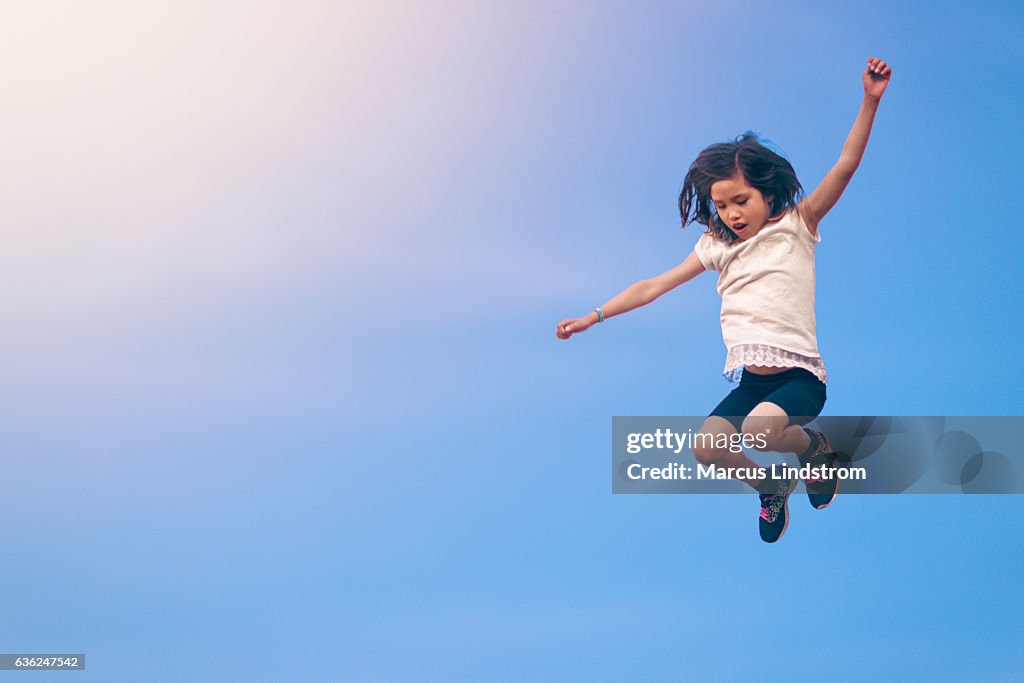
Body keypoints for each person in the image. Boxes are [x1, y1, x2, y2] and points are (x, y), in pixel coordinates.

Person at [556, 57, 893, 543]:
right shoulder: (715, 247)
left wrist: (869, 100)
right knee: (707, 448)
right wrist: (594, 315)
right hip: (753, 384)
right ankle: (771, 486)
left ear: (766, 193)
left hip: (799, 380)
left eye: (742, 201)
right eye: (721, 204)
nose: (732, 214)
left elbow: (845, 166)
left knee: (759, 432)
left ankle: (814, 448)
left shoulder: (797, 226)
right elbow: (654, 285)